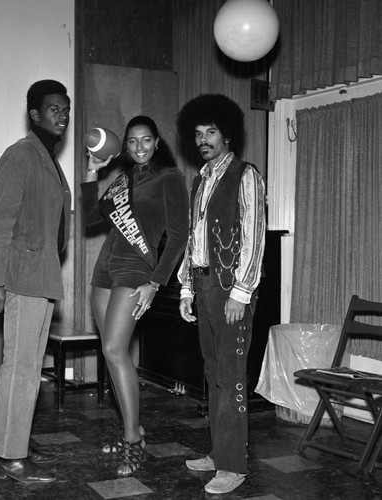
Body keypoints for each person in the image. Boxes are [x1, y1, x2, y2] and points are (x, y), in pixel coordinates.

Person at [81, 116, 189, 476]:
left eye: (146, 140)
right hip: (104, 268)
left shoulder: (169, 177)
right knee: (113, 355)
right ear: (124, 146)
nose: (139, 147)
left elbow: (178, 237)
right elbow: (89, 220)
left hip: (135, 270)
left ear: (157, 142)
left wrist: (156, 282)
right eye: (132, 142)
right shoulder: (123, 180)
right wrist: (92, 171)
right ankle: (134, 428)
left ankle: (132, 441)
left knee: (114, 349)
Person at [0, 79, 72, 484]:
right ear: (35, 114)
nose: (63, 114)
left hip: (42, 274)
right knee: (19, 367)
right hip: (20, 277)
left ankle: (14, 440)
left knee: (29, 367)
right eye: (55, 108)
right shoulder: (20, 155)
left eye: (66, 108)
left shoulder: (48, 159)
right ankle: (7, 454)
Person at [177, 94, 266, 495]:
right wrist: (185, 286)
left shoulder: (245, 175)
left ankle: (233, 466)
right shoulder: (200, 178)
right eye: (197, 134)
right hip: (202, 286)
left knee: (231, 378)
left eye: (210, 131)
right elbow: (194, 238)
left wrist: (241, 292)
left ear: (226, 132)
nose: (203, 139)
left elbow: (255, 238)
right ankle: (219, 451)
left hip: (231, 291)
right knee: (213, 375)